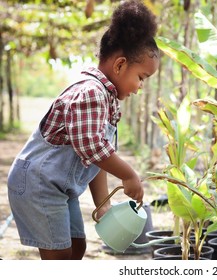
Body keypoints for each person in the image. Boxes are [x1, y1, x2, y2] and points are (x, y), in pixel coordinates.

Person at [7, 0, 159, 260]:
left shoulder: (107, 99)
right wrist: (129, 175)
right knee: (60, 255)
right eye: (141, 78)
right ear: (120, 65)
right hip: (39, 184)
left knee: (77, 248)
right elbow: (93, 148)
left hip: (58, 188)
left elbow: (96, 156)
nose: (139, 87)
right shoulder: (90, 92)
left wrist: (103, 205)